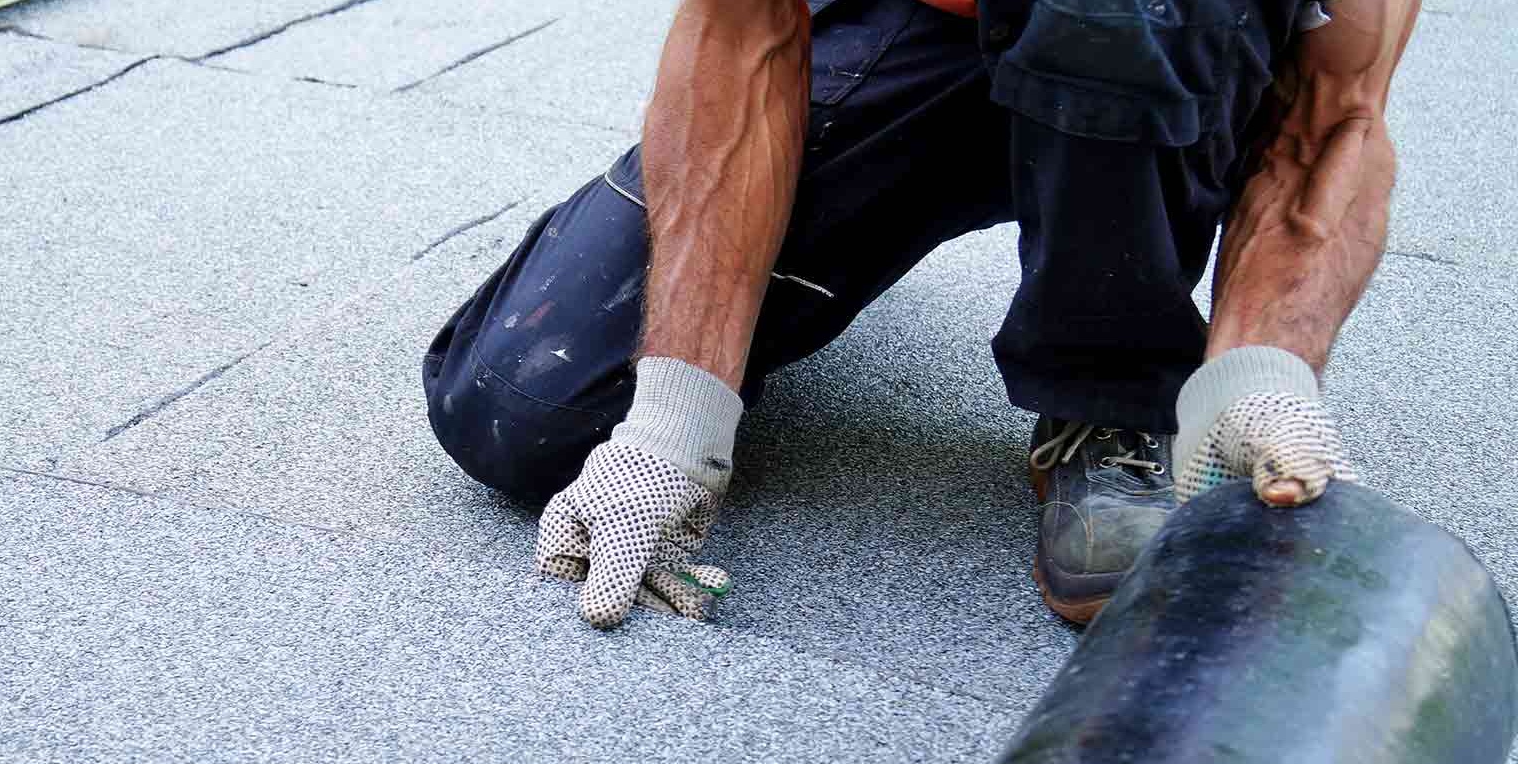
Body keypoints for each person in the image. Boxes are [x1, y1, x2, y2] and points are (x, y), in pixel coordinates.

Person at [423, 0, 1417, 628]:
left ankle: (1105, 387)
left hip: (1165, 68)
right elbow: (741, 29)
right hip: (925, 35)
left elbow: (1339, 111)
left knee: (1121, 13)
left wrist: (1260, 369)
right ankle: (834, 247)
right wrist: (676, 415)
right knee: (524, 405)